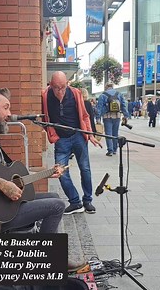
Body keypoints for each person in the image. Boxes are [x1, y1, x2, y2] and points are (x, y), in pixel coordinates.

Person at [0, 88, 65, 233]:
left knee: (54, 196)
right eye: (6, 108)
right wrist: (3, 186)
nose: (9, 114)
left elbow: (7, 176)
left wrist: (46, 173)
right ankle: (48, 252)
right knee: (57, 205)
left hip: (1, 203)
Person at [42, 71, 102, 215]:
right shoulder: (45, 96)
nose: (60, 91)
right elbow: (43, 118)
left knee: (85, 169)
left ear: (67, 83)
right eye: (57, 87)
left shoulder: (75, 93)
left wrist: (89, 134)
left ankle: (87, 200)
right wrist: (52, 133)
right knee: (60, 172)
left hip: (78, 136)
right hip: (61, 140)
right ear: (50, 85)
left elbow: (85, 116)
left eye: (63, 87)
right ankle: (75, 202)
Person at [96, 82, 129, 156]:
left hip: (107, 116)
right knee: (115, 133)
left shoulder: (103, 95)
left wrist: (98, 118)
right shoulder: (119, 94)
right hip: (117, 116)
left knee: (108, 134)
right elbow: (123, 105)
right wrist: (126, 115)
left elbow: (99, 107)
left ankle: (110, 150)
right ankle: (115, 149)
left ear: (106, 87)